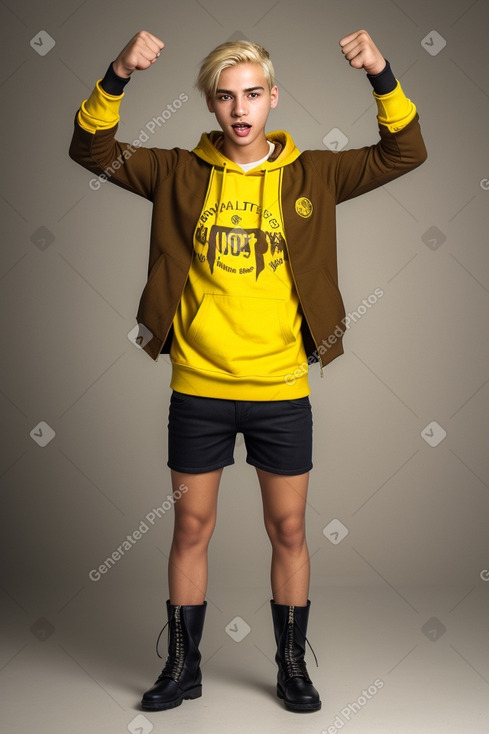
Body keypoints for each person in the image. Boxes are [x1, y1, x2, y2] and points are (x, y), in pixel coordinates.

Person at [69, 28, 427, 714]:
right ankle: (183, 667)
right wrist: (117, 72)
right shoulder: (176, 171)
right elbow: (90, 149)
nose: (240, 109)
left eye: (253, 95)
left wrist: (380, 74)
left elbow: (404, 151)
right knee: (190, 529)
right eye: (226, 97)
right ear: (211, 104)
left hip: (281, 392)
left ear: (271, 99)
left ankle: (291, 667)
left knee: (288, 530)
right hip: (198, 390)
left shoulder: (312, 175)